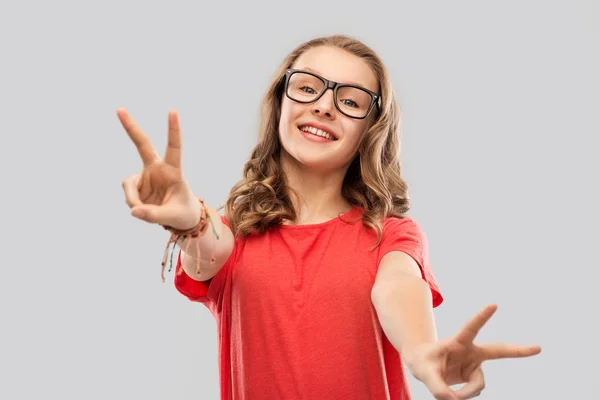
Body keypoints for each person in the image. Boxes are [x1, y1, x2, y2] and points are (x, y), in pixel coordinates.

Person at [118, 34, 541, 400]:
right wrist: (188, 215)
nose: (324, 106)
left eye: (351, 101)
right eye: (307, 88)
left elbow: (398, 287)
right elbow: (206, 247)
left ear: (370, 130)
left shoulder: (391, 235)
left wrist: (420, 351)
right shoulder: (234, 229)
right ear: (280, 102)